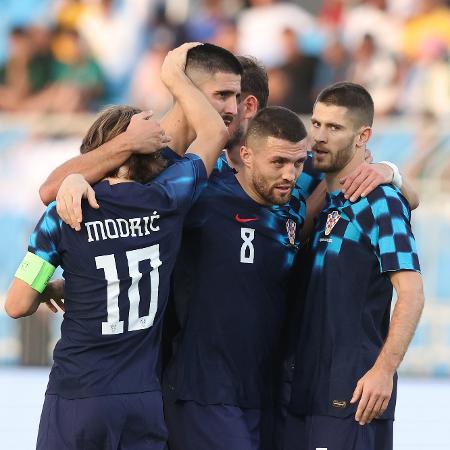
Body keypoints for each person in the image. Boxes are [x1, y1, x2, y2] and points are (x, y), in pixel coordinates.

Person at [4, 42, 230, 450]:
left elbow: (17, 304)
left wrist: (49, 286)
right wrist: (174, 76)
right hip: (141, 398)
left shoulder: (63, 213)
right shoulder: (170, 199)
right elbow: (214, 131)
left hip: (79, 394)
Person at [283, 82, 425, 450]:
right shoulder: (311, 190)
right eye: (315, 124)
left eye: (334, 128)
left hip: (354, 395)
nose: (318, 137)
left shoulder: (380, 201)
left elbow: (411, 293)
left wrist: (384, 371)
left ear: (363, 136)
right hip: (303, 392)